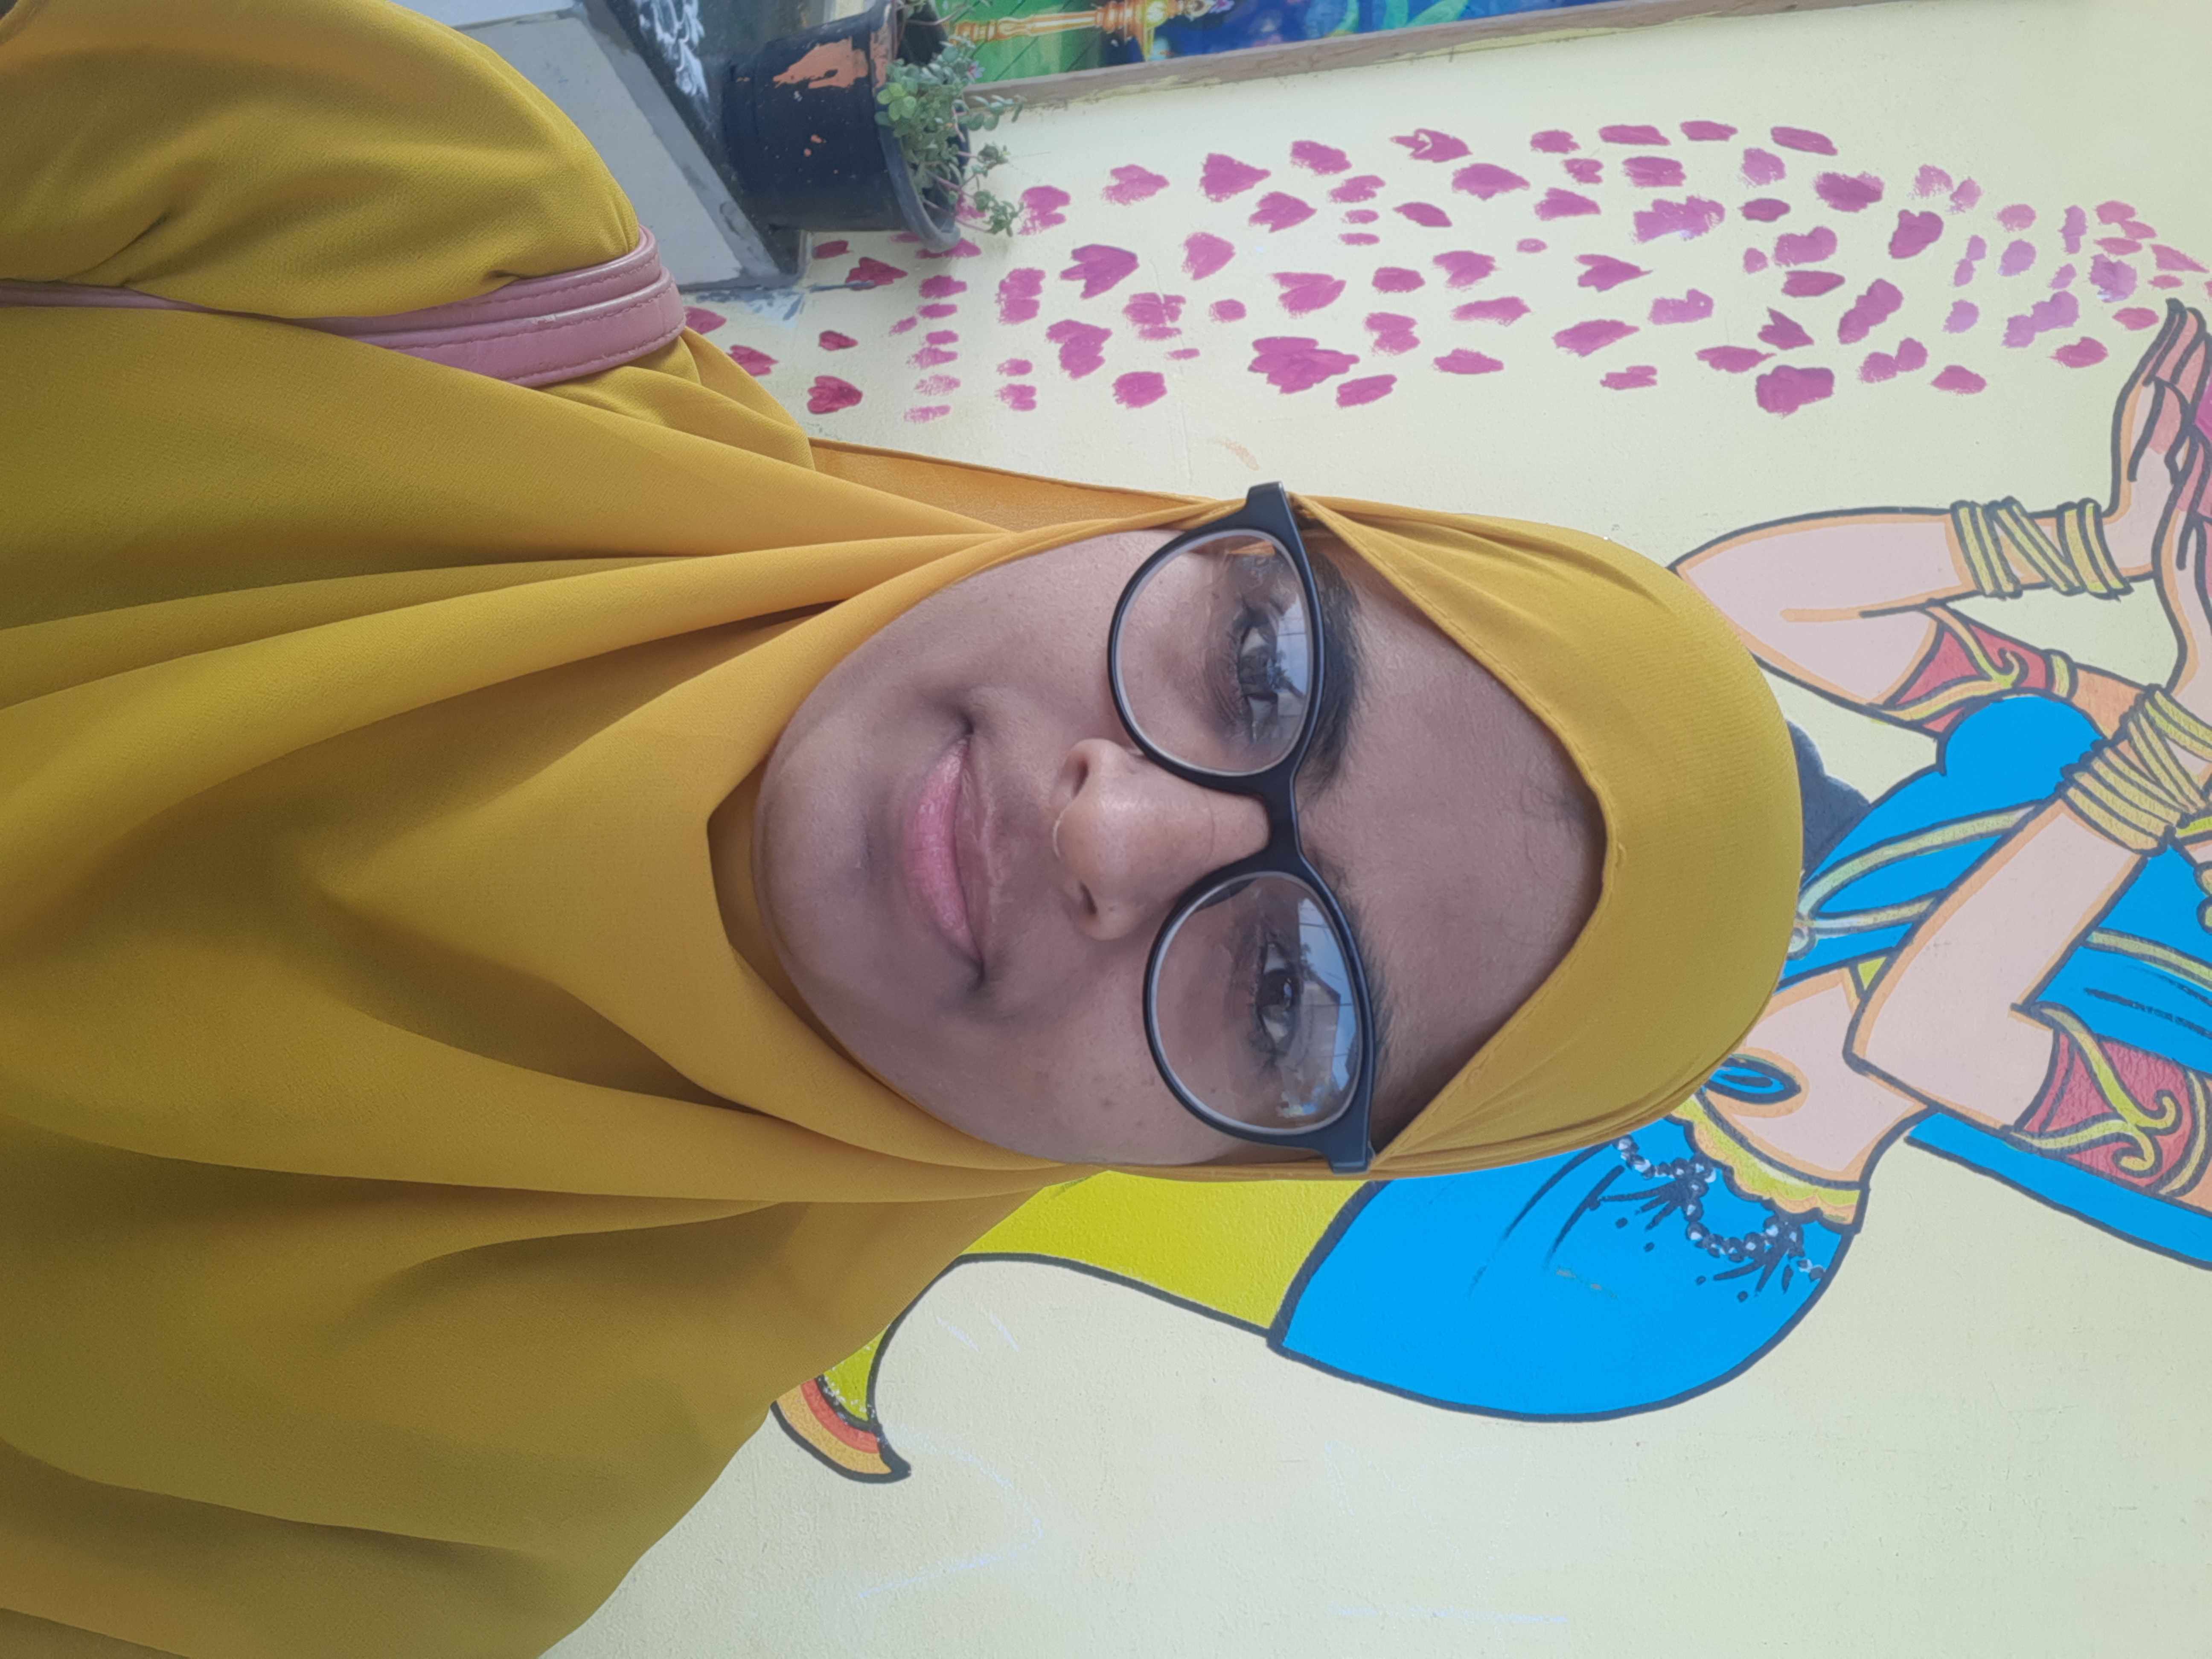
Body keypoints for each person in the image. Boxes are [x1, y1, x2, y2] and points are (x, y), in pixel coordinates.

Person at [0, 0, 1797, 1653]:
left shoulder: (397, 1542)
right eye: (1260, 668)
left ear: (1221, 1165)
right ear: (1186, 527)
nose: (1118, 835)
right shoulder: (394, 231)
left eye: (1284, 998)